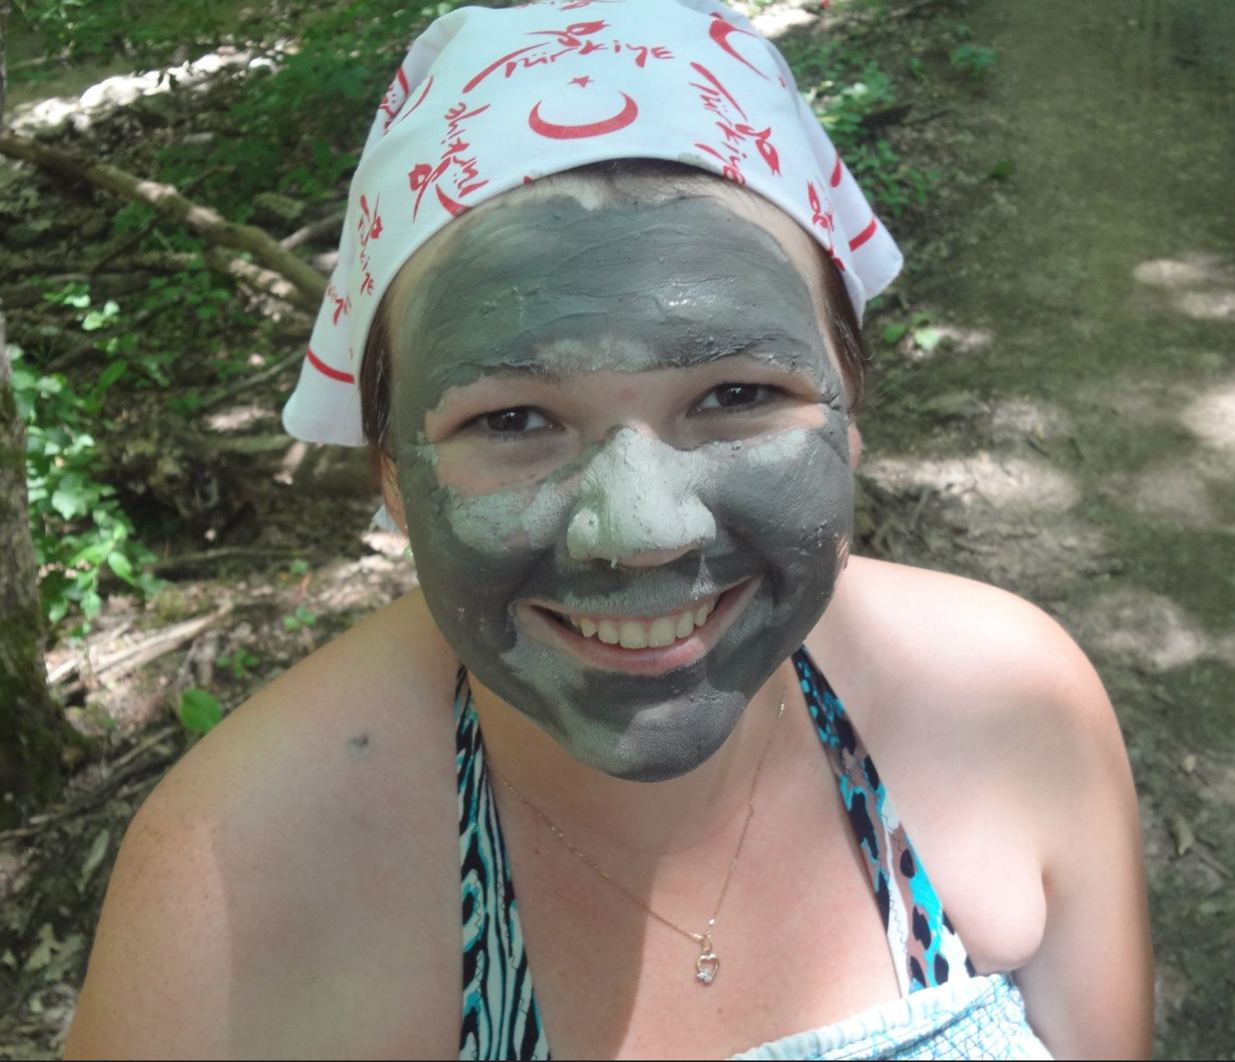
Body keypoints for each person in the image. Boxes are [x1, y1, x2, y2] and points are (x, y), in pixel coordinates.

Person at [64, 2, 1153, 1058]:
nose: (642, 531)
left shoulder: (1009, 704)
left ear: (849, 412)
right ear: (389, 472)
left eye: (736, 396)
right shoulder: (233, 886)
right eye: (514, 420)